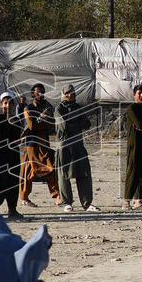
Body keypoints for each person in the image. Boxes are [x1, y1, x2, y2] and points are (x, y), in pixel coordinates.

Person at [54, 84, 98, 212]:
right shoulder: (58, 109)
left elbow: (87, 124)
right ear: (63, 94)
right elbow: (63, 126)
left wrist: (74, 122)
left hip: (78, 144)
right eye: (67, 92)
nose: (70, 94)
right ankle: (67, 202)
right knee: (64, 175)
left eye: (72, 92)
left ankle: (87, 203)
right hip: (64, 145)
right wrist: (76, 122)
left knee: (84, 173)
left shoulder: (78, 107)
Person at [18, 83, 61, 208]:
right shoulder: (28, 108)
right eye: (38, 92)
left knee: (51, 167)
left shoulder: (48, 107)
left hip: (44, 143)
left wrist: (41, 121)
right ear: (33, 94)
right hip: (30, 144)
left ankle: (57, 196)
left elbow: (52, 123)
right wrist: (43, 120)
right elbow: (31, 126)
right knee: (27, 171)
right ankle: (24, 198)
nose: (41, 94)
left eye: (42, 91)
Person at [0, 91, 25, 221]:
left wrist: (19, 140)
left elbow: (17, 137)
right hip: (0, 155)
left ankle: (12, 209)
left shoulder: (16, 120)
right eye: (5, 103)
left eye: (10, 103)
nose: (8, 106)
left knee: (13, 182)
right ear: (1, 105)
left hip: (13, 155)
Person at [123, 85, 142, 209]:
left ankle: (138, 200)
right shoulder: (131, 108)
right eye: (139, 93)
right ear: (134, 94)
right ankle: (126, 201)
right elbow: (140, 124)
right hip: (134, 144)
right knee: (132, 172)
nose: (141, 96)